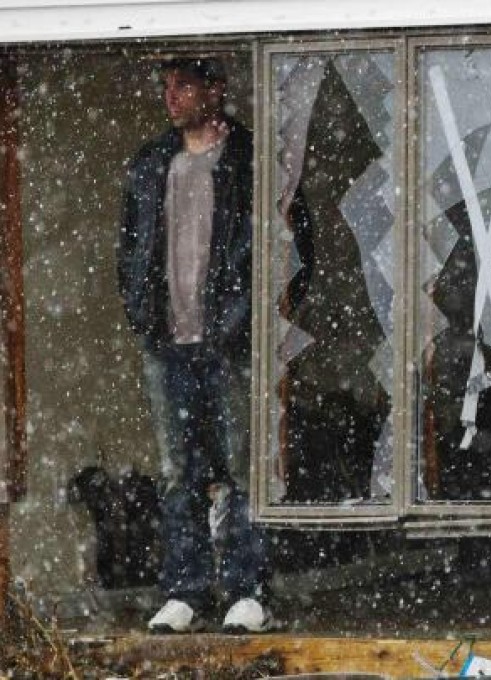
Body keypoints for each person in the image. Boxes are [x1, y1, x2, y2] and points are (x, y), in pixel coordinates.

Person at [117, 56, 271, 634]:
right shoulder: (152, 163)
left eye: (183, 84)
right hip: (169, 343)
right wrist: (142, 314)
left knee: (241, 469)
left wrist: (255, 320)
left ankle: (246, 590)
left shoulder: (248, 160)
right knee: (178, 471)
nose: (171, 96)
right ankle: (184, 590)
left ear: (215, 89)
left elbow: (291, 247)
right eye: (166, 86)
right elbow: (130, 252)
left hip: (229, 341)